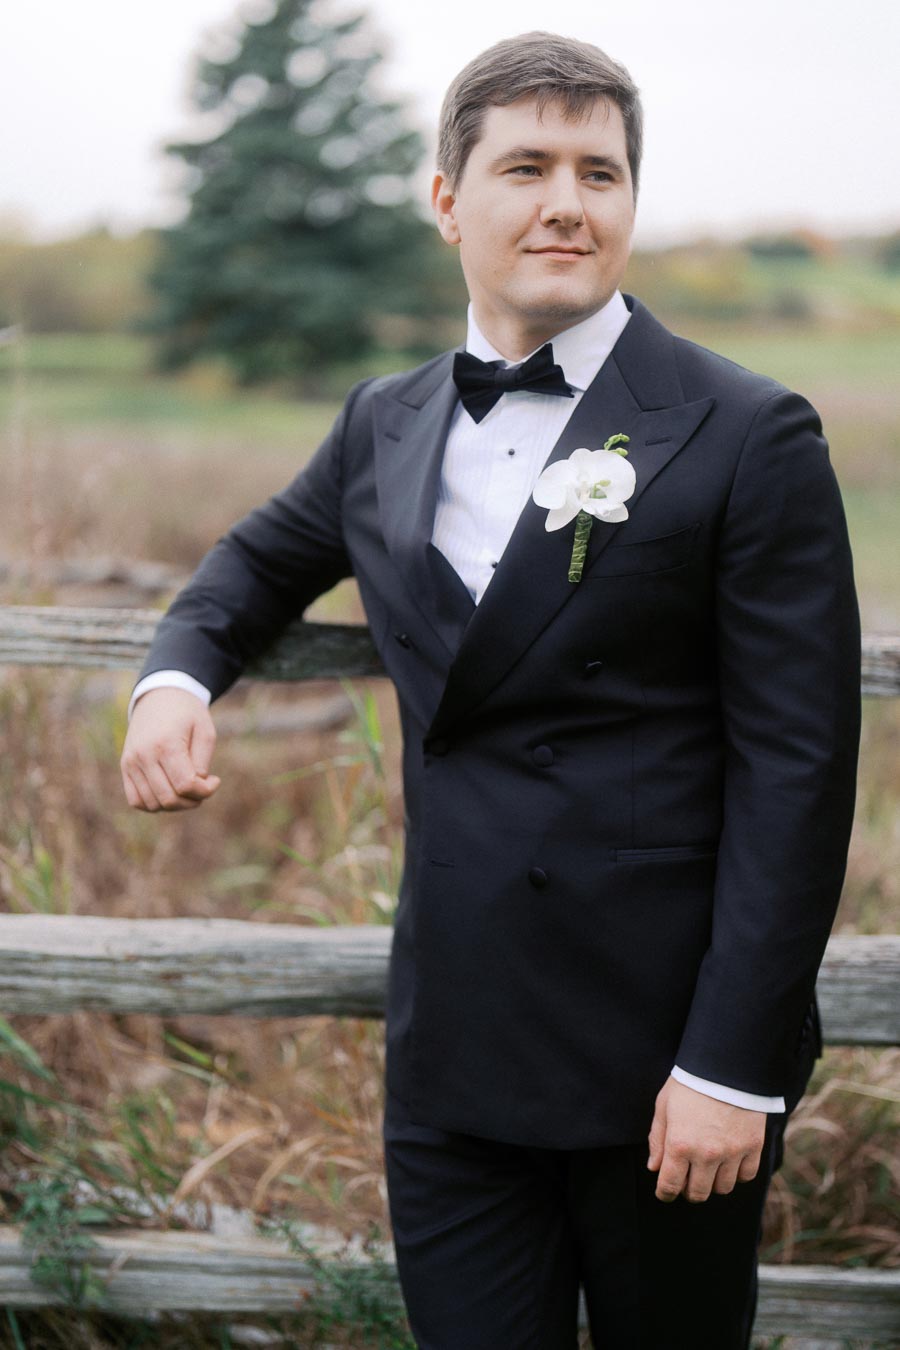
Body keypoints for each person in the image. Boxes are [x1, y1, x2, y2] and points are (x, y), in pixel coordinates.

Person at [120, 31, 861, 1349]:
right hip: (454, 1050)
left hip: (669, 1063)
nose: (568, 200)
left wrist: (732, 1062)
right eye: (527, 165)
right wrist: (174, 679)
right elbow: (251, 565)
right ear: (448, 198)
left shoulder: (750, 432)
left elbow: (798, 776)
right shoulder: (382, 420)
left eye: (601, 171)